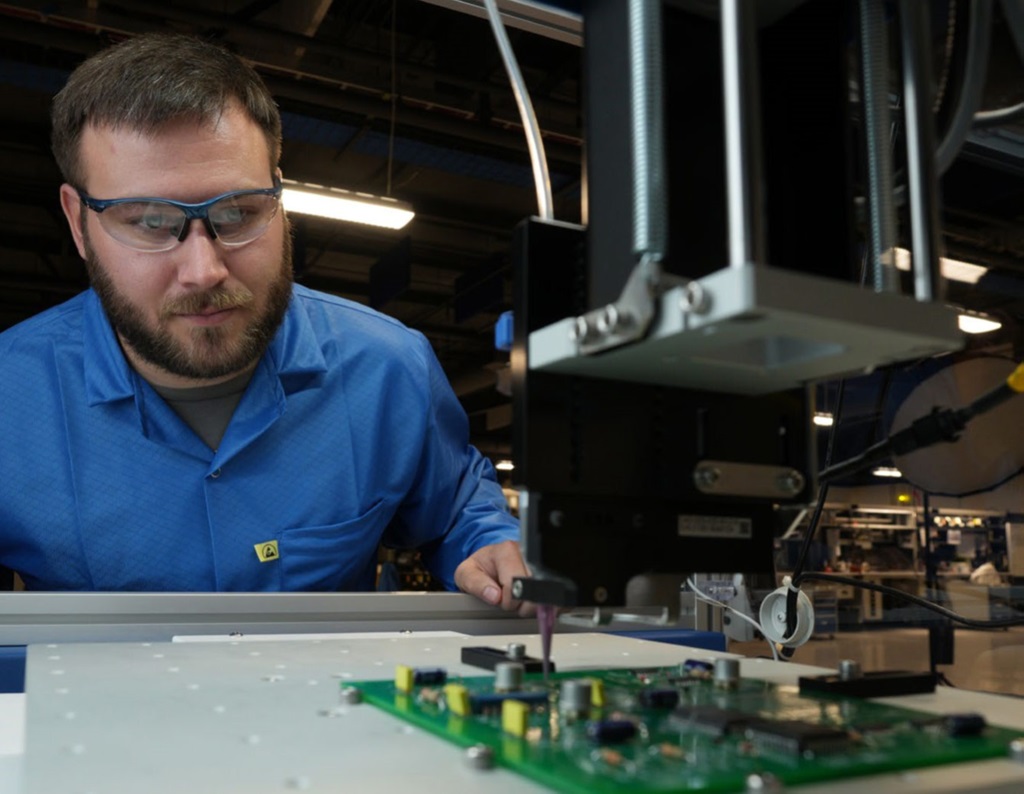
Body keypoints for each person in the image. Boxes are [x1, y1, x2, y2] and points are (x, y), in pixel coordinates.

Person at [0, 33, 529, 612]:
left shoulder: (388, 369)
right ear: (78, 224)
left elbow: (456, 512)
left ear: (280, 193)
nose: (204, 270)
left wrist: (487, 547)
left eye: (238, 213)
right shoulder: (11, 396)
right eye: (150, 221)